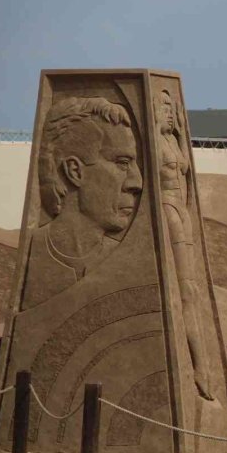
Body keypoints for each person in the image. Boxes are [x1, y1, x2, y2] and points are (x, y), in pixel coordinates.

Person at [23, 97, 143, 310]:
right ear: (75, 171)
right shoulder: (33, 251)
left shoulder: (130, 261)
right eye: (122, 163)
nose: (137, 183)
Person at [156, 89, 213, 400]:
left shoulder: (172, 141)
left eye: (170, 107)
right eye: (161, 107)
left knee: (191, 291)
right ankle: (199, 366)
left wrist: (180, 127)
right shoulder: (154, 143)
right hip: (167, 208)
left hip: (182, 209)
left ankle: (201, 364)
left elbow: (187, 173)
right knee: (185, 291)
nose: (168, 112)